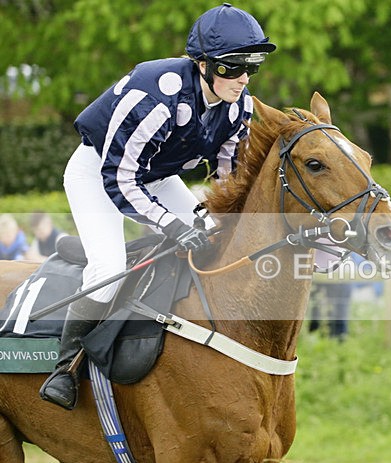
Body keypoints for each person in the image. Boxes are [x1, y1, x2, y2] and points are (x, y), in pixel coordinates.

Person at [39, 3, 277, 410]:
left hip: (157, 175)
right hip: (98, 172)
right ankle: (65, 368)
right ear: (201, 64)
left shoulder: (240, 106)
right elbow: (119, 178)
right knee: (109, 270)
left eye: (249, 69)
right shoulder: (156, 94)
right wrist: (171, 225)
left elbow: (227, 178)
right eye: (231, 68)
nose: (241, 79)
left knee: (214, 238)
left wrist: (218, 221)